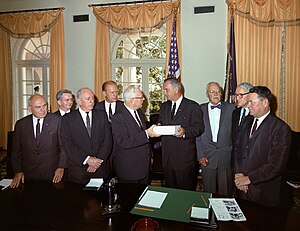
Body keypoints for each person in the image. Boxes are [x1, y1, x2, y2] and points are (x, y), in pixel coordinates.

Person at [233, 86, 292, 208]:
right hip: (240, 188)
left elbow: (276, 165)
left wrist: (248, 179)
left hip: (263, 193)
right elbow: (237, 149)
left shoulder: (280, 129)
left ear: (265, 102)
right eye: (248, 101)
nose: (248, 105)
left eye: (252, 102)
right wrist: (239, 175)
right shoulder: (246, 121)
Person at [10, 94, 67, 188]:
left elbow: (64, 147)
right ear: (29, 109)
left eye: (44, 105)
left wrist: (61, 167)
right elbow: (16, 151)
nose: (43, 109)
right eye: (38, 107)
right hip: (28, 175)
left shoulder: (57, 120)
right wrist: (17, 171)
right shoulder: (21, 125)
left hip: (53, 173)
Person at [159, 78, 204, 190]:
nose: (164, 93)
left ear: (175, 89)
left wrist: (185, 132)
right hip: (168, 160)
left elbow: (199, 128)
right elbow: (161, 122)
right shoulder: (164, 107)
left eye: (166, 90)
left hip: (185, 161)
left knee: (185, 194)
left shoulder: (193, 106)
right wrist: (158, 127)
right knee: (170, 193)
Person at [60, 88, 112, 184]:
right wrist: (87, 159)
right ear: (79, 101)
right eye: (88, 99)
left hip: (100, 169)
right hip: (79, 171)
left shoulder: (102, 115)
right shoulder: (67, 119)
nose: (92, 101)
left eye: (93, 98)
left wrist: (97, 162)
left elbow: (108, 140)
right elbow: (68, 145)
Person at [111, 85, 159, 184]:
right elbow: (124, 142)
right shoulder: (118, 117)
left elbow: (141, 136)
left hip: (144, 167)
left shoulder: (140, 113)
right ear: (132, 100)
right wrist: (146, 134)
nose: (144, 99)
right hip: (129, 169)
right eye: (141, 97)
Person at [196, 82, 235, 196]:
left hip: (226, 156)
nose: (215, 94)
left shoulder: (231, 108)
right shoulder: (199, 109)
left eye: (218, 91)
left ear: (221, 93)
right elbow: (197, 135)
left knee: (226, 192)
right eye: (212, 92)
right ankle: (209, 213)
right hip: (207, 157)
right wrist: (200, 155)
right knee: (208, 192)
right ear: (207, 94)